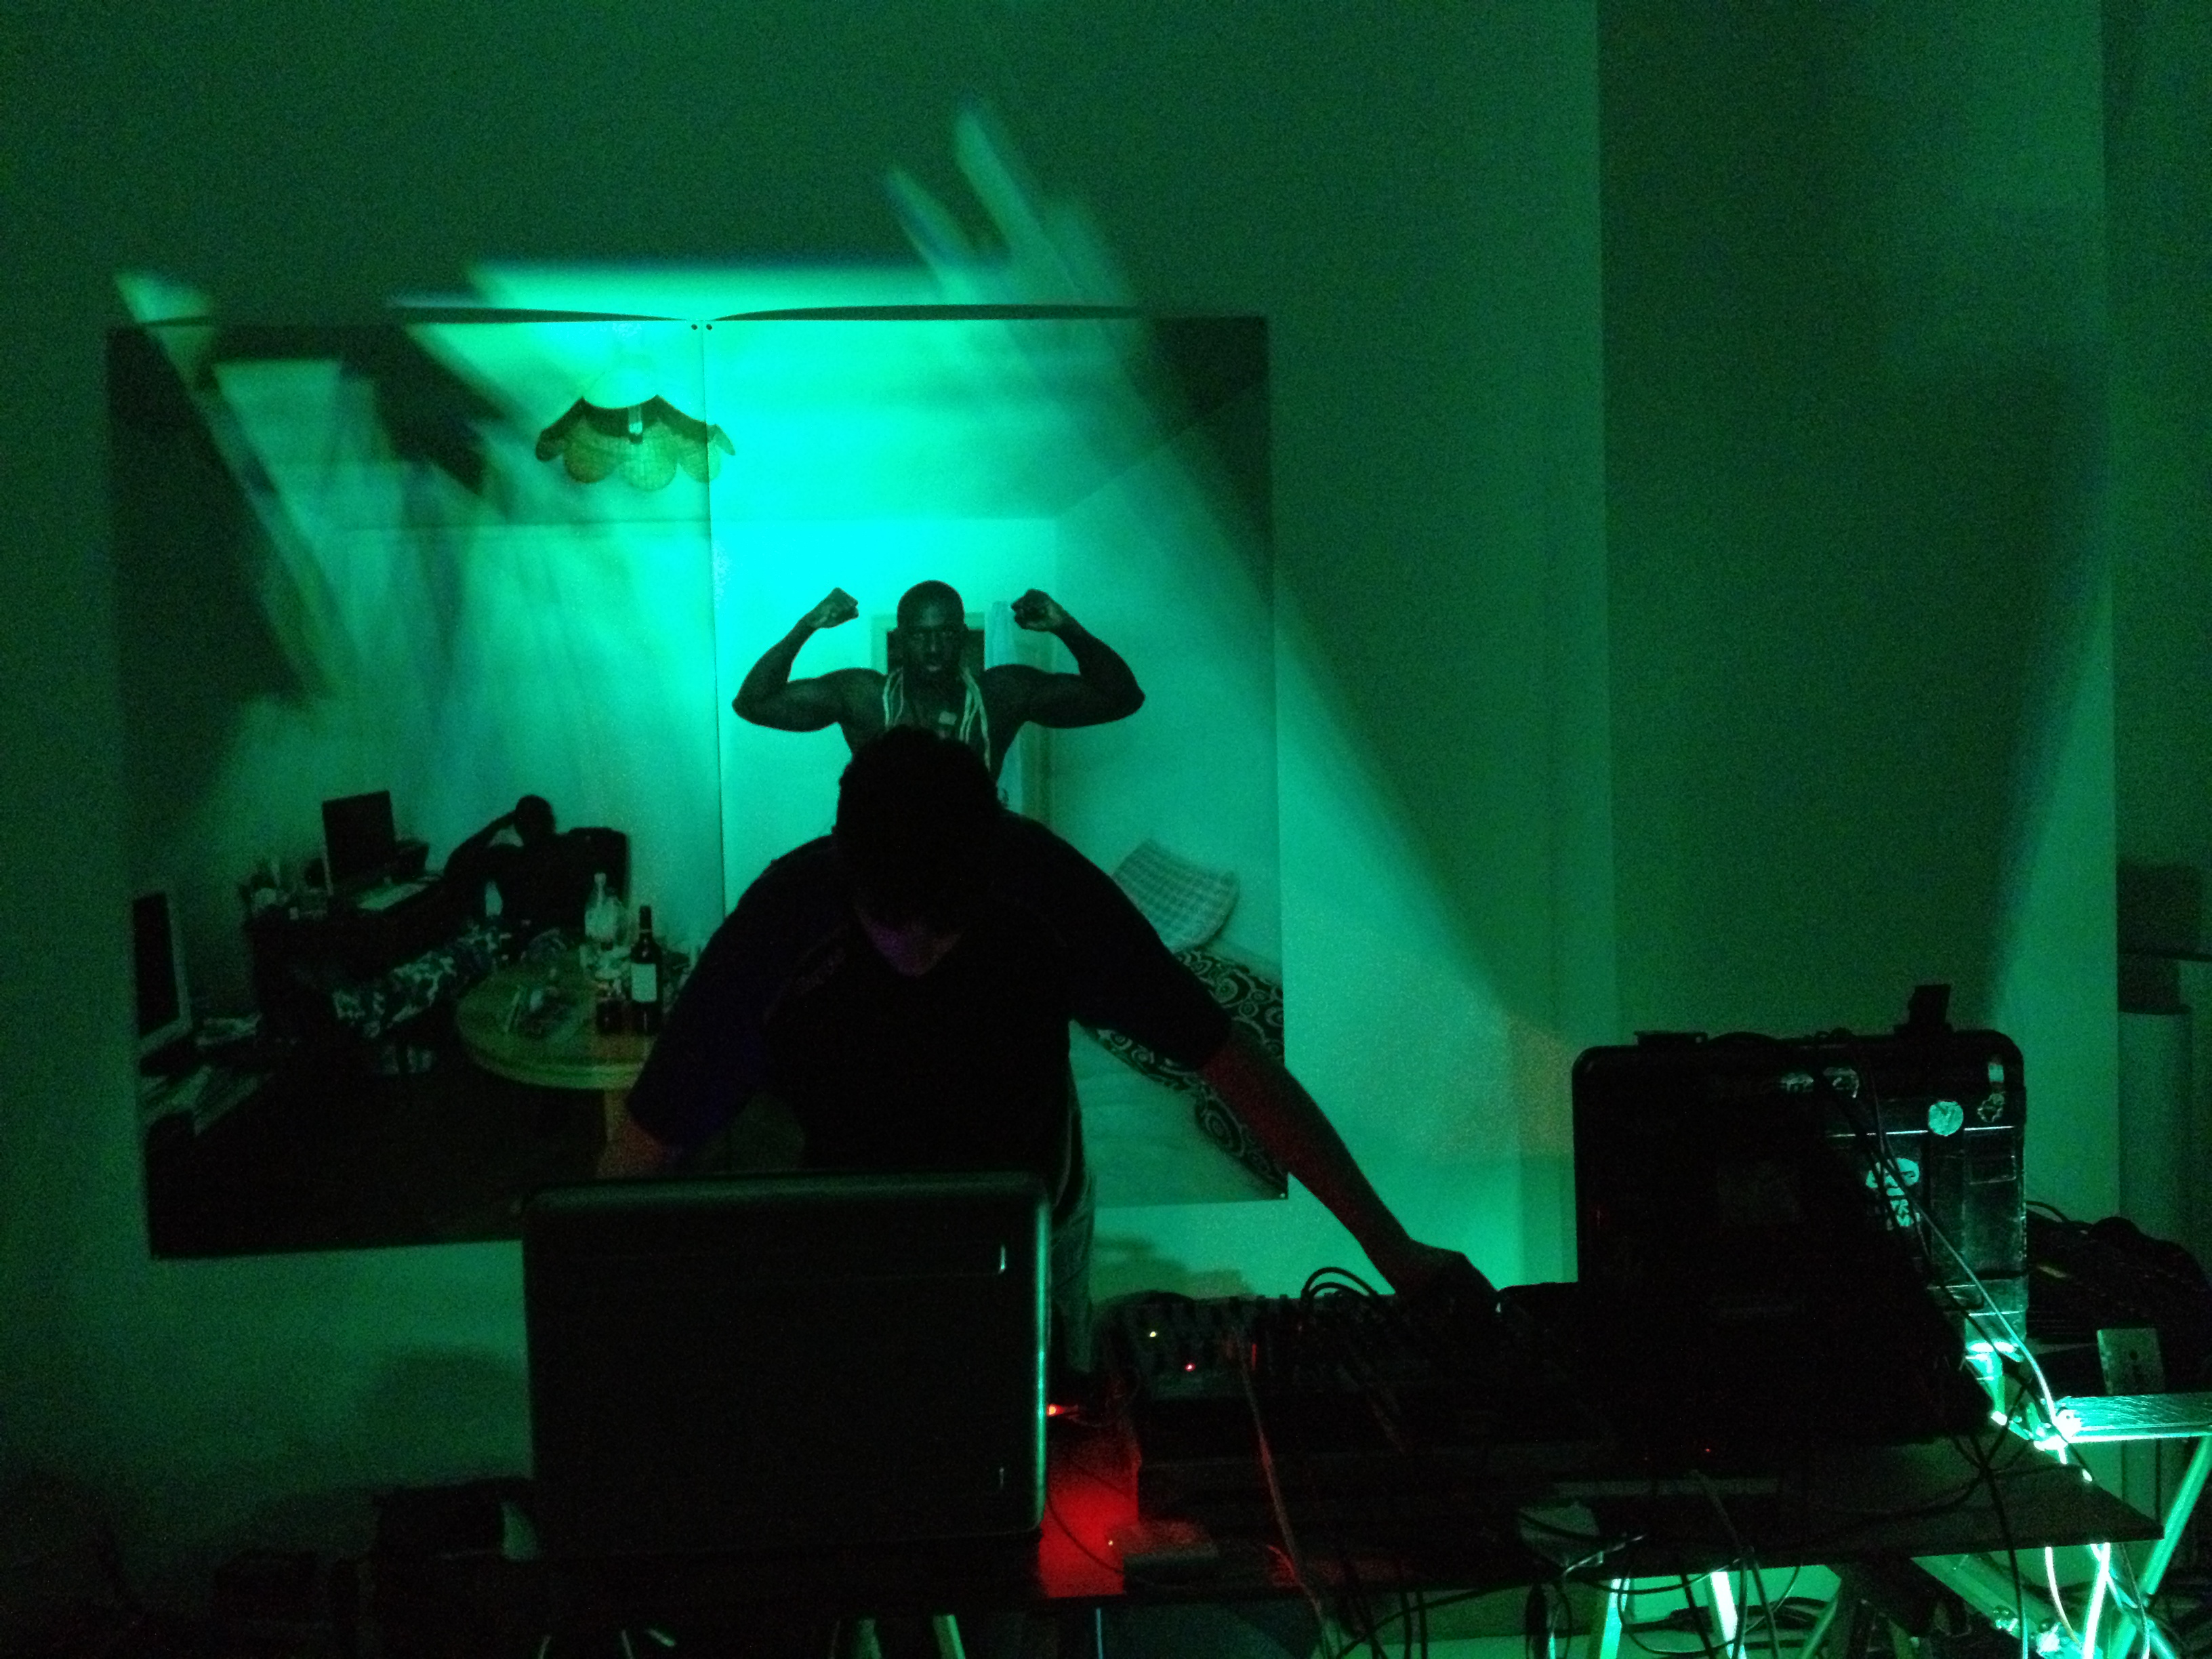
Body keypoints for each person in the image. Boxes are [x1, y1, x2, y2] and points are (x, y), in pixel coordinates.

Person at [602, 729, 1491, 1374]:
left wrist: (1393, 1248)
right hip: (848, 1228)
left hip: (1032, 1216)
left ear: (987, 869)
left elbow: (1231, 1061)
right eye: (891, 923)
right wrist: (601, 1336)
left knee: (1047, 1440)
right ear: (846, 865)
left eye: (945, 924)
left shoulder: (1049, 893)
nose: (917, 952)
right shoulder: (783, 923)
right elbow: (647, 1141)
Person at [732, 580, 1143, 782]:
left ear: (962, 636)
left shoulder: (1001, 695)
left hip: (971, 867)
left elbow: (1121, 698)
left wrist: (1066, 627)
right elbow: (753, 703)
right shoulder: (864, 696)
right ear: (901, 638)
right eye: (919, 635)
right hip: (885, 865)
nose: (932, 648)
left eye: (945, 633)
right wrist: (807, 626)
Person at [440, 794, 598, 936]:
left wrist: (497, 826)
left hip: (530, 936)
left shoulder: (510, 858)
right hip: (541, 935)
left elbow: (457, 863)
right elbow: (457, 865)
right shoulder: (509, 857)